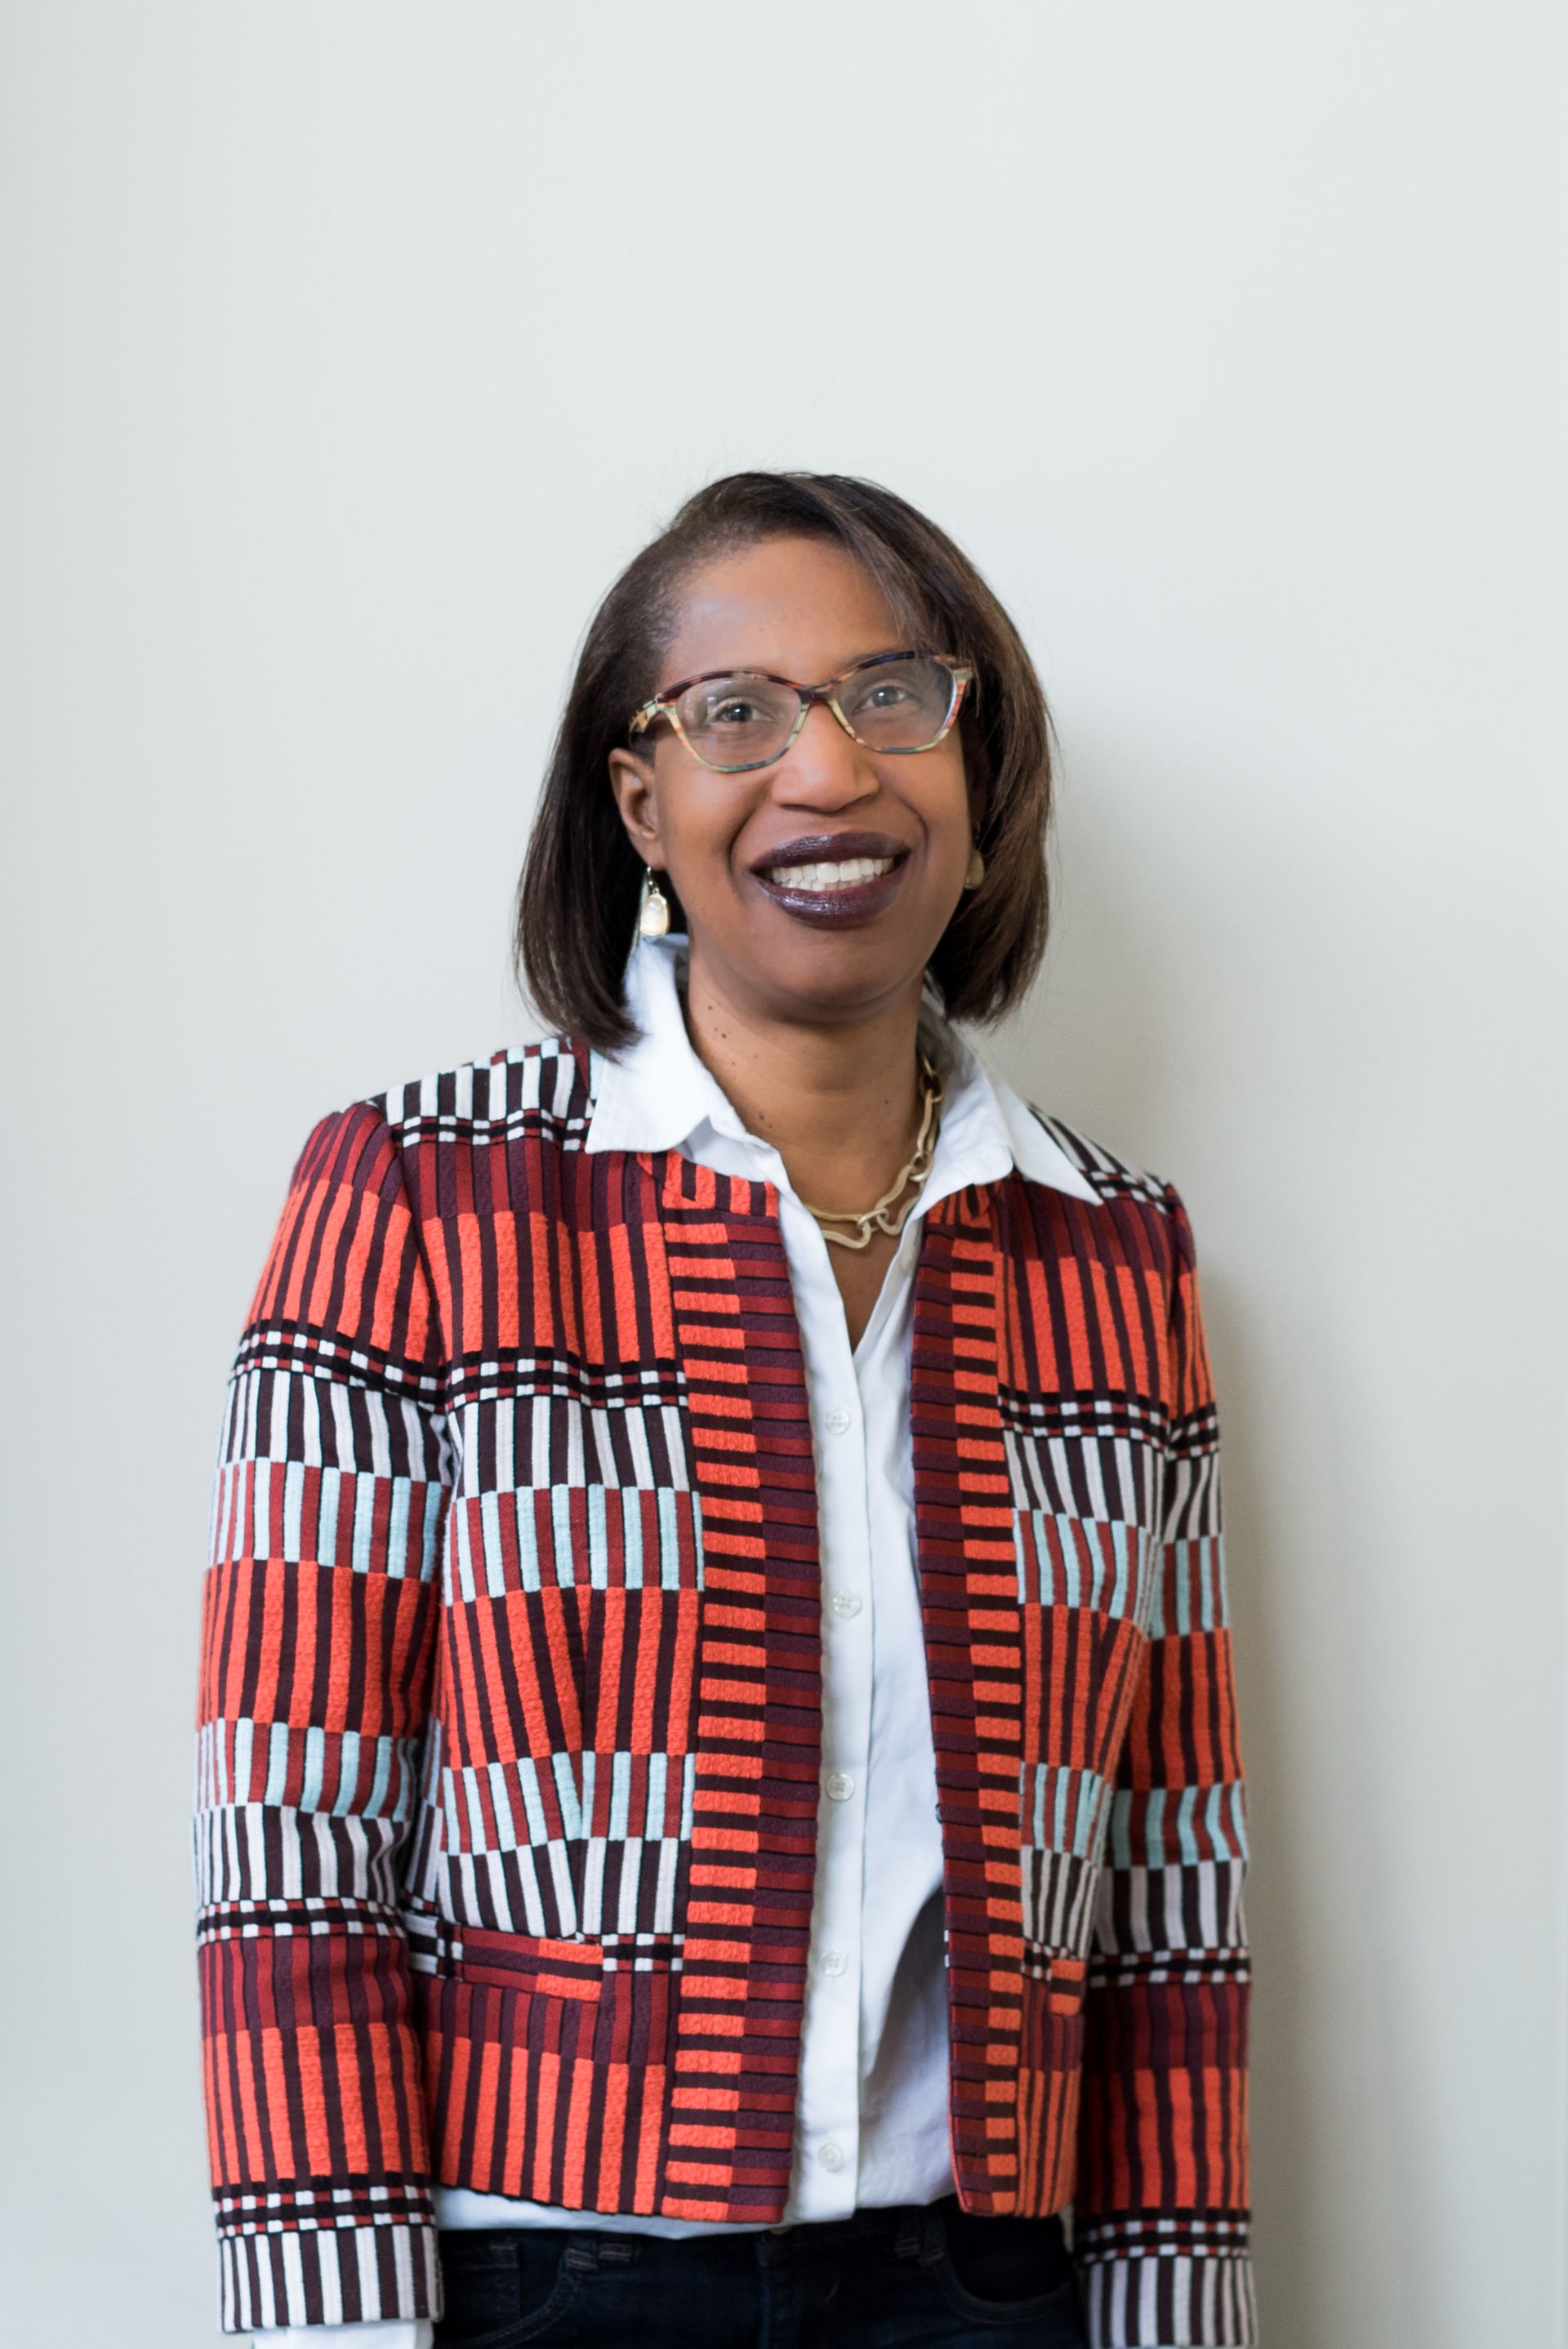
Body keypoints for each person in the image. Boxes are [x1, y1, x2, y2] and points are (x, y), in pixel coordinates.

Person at [194, 471, 1254, 2349]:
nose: (826, 771)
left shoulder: (1118, 1253)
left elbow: (1172, 1891)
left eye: (892, 697)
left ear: (974, 769)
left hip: (988, 2284)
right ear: (641, 803)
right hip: (544, 2284)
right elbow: (296, 1850)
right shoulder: (416, 1195)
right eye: (736, 712)